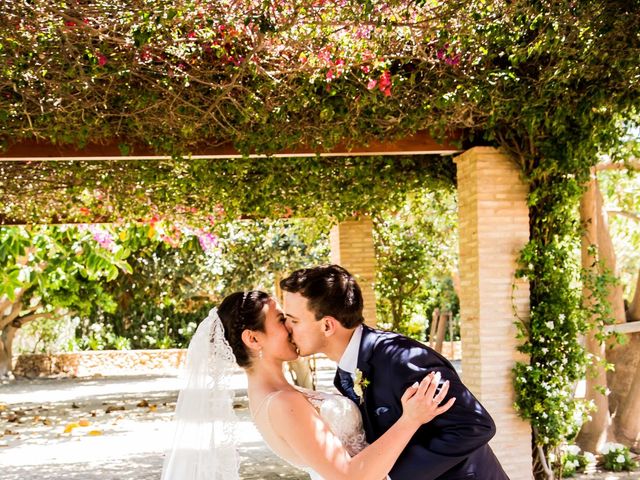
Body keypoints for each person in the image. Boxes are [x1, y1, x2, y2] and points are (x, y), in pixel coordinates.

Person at [161, 290, 455, 480]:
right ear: (253, 339)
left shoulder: (281, 394)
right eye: (281, 320)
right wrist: (411, 419)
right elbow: (350, 476)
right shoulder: (281, 403)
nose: (291, 325)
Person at [280, 264, 510, 480]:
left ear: (327, 325)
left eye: (294, 320)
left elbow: (475, 425)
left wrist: (394, 477)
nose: (287, 329)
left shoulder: (401, 360)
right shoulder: (346, 373)